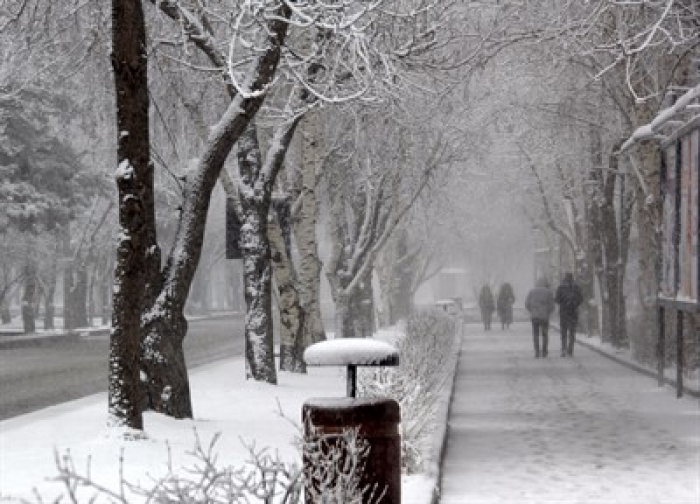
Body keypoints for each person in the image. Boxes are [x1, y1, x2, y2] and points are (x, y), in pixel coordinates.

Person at [555, 272, 584, 357]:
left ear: (565, 277)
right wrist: (575, 304)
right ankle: (570, 349)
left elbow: (557, 299)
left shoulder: (561, 287)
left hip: (563, 312)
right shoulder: (576, 287)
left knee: (563, 332)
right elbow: (581, 299)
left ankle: (563, 349)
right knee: (572, 331)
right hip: (573, 312)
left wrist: (563, 303)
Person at [525, 277, 554, 358]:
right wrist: (548, 312)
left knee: (535, 334)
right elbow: (552, 305)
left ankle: (537, 351)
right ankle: (544, 351)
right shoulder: (548, 292)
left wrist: (532, 310)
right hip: (544, 316)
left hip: (535, 316)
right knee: (545, 334)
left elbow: (527, 303)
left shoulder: (532, 291)